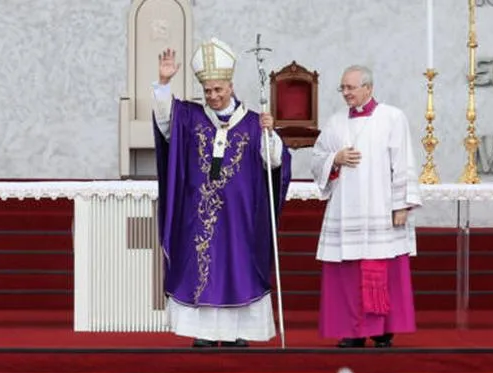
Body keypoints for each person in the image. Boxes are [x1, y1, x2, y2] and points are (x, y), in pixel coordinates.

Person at [153, 39, 291, 348]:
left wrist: (271, 134)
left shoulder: (256, 122)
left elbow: (275, 162)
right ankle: (204, 332)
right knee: (201, 269)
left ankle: (236, 333)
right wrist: (163, 83)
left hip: (240, 217)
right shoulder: (190, 117)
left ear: (230, 86)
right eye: (208, 91)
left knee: (236, 270)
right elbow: (164, 122)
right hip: (199, 213)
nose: (213, 97)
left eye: (219, 89)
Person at [311, 65, 421, 348]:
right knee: (347, 273)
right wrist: (335, 158)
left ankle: (382, 329)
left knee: (383, 270)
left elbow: (404, 161)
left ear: (368, 88)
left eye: (351, 87)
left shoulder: (392, 118)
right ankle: (352, 330)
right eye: (343, 88)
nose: (345, 93)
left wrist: (402, 206)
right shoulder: (335, 122)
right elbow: (317, 158)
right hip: (346, 209)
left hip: (382, 209)